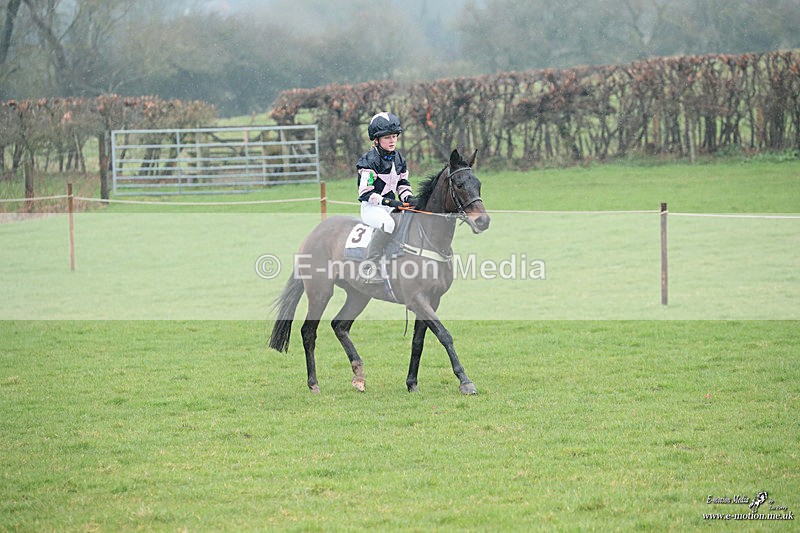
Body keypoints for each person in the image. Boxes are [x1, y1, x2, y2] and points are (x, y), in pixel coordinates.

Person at [356, 112, 416, 277]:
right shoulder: (369, 161)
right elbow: (365, 193)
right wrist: (390, 203)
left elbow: (403, 184)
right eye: (387, 137)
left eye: (394, 136)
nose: (392, 141)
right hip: (371, 209)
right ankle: (370, 265)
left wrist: (408, 198)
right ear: (376, 140)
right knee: (388, 224)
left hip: (390, 207)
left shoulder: (399, 159)